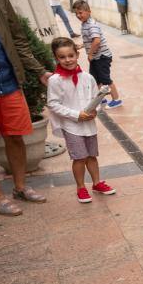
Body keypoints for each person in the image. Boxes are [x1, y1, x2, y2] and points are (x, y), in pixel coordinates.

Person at [0, 0, 51, 215]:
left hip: (8, 81)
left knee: (15, 136)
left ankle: (19, 187)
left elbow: (18, 37)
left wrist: (39, 70)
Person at [46, 37, 116, 203]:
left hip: (89, 125)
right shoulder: (55, 80)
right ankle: (81, 187)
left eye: (71, 55)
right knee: (79, 158)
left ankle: (97, 183)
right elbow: (53, 104)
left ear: (77, 55)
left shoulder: (88, 77)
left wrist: (95, 111)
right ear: (56, 58)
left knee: (92, 156)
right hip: (71, 126)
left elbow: (96, 97)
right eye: (62, 57)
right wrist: (76, 115)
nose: (68, 60)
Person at [73, 0, 122, 109]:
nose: (78, 15)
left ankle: (116, 100)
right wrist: (82, 46)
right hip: (96, 57)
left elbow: (96, 41)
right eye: (76, 13)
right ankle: (100, 98)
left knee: (105, 79)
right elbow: (91, 40)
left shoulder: (91, 25)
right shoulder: (85, 24)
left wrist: (90, 54)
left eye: (80, 12)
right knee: (95, 79)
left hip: (102, 57)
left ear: (89, 12)